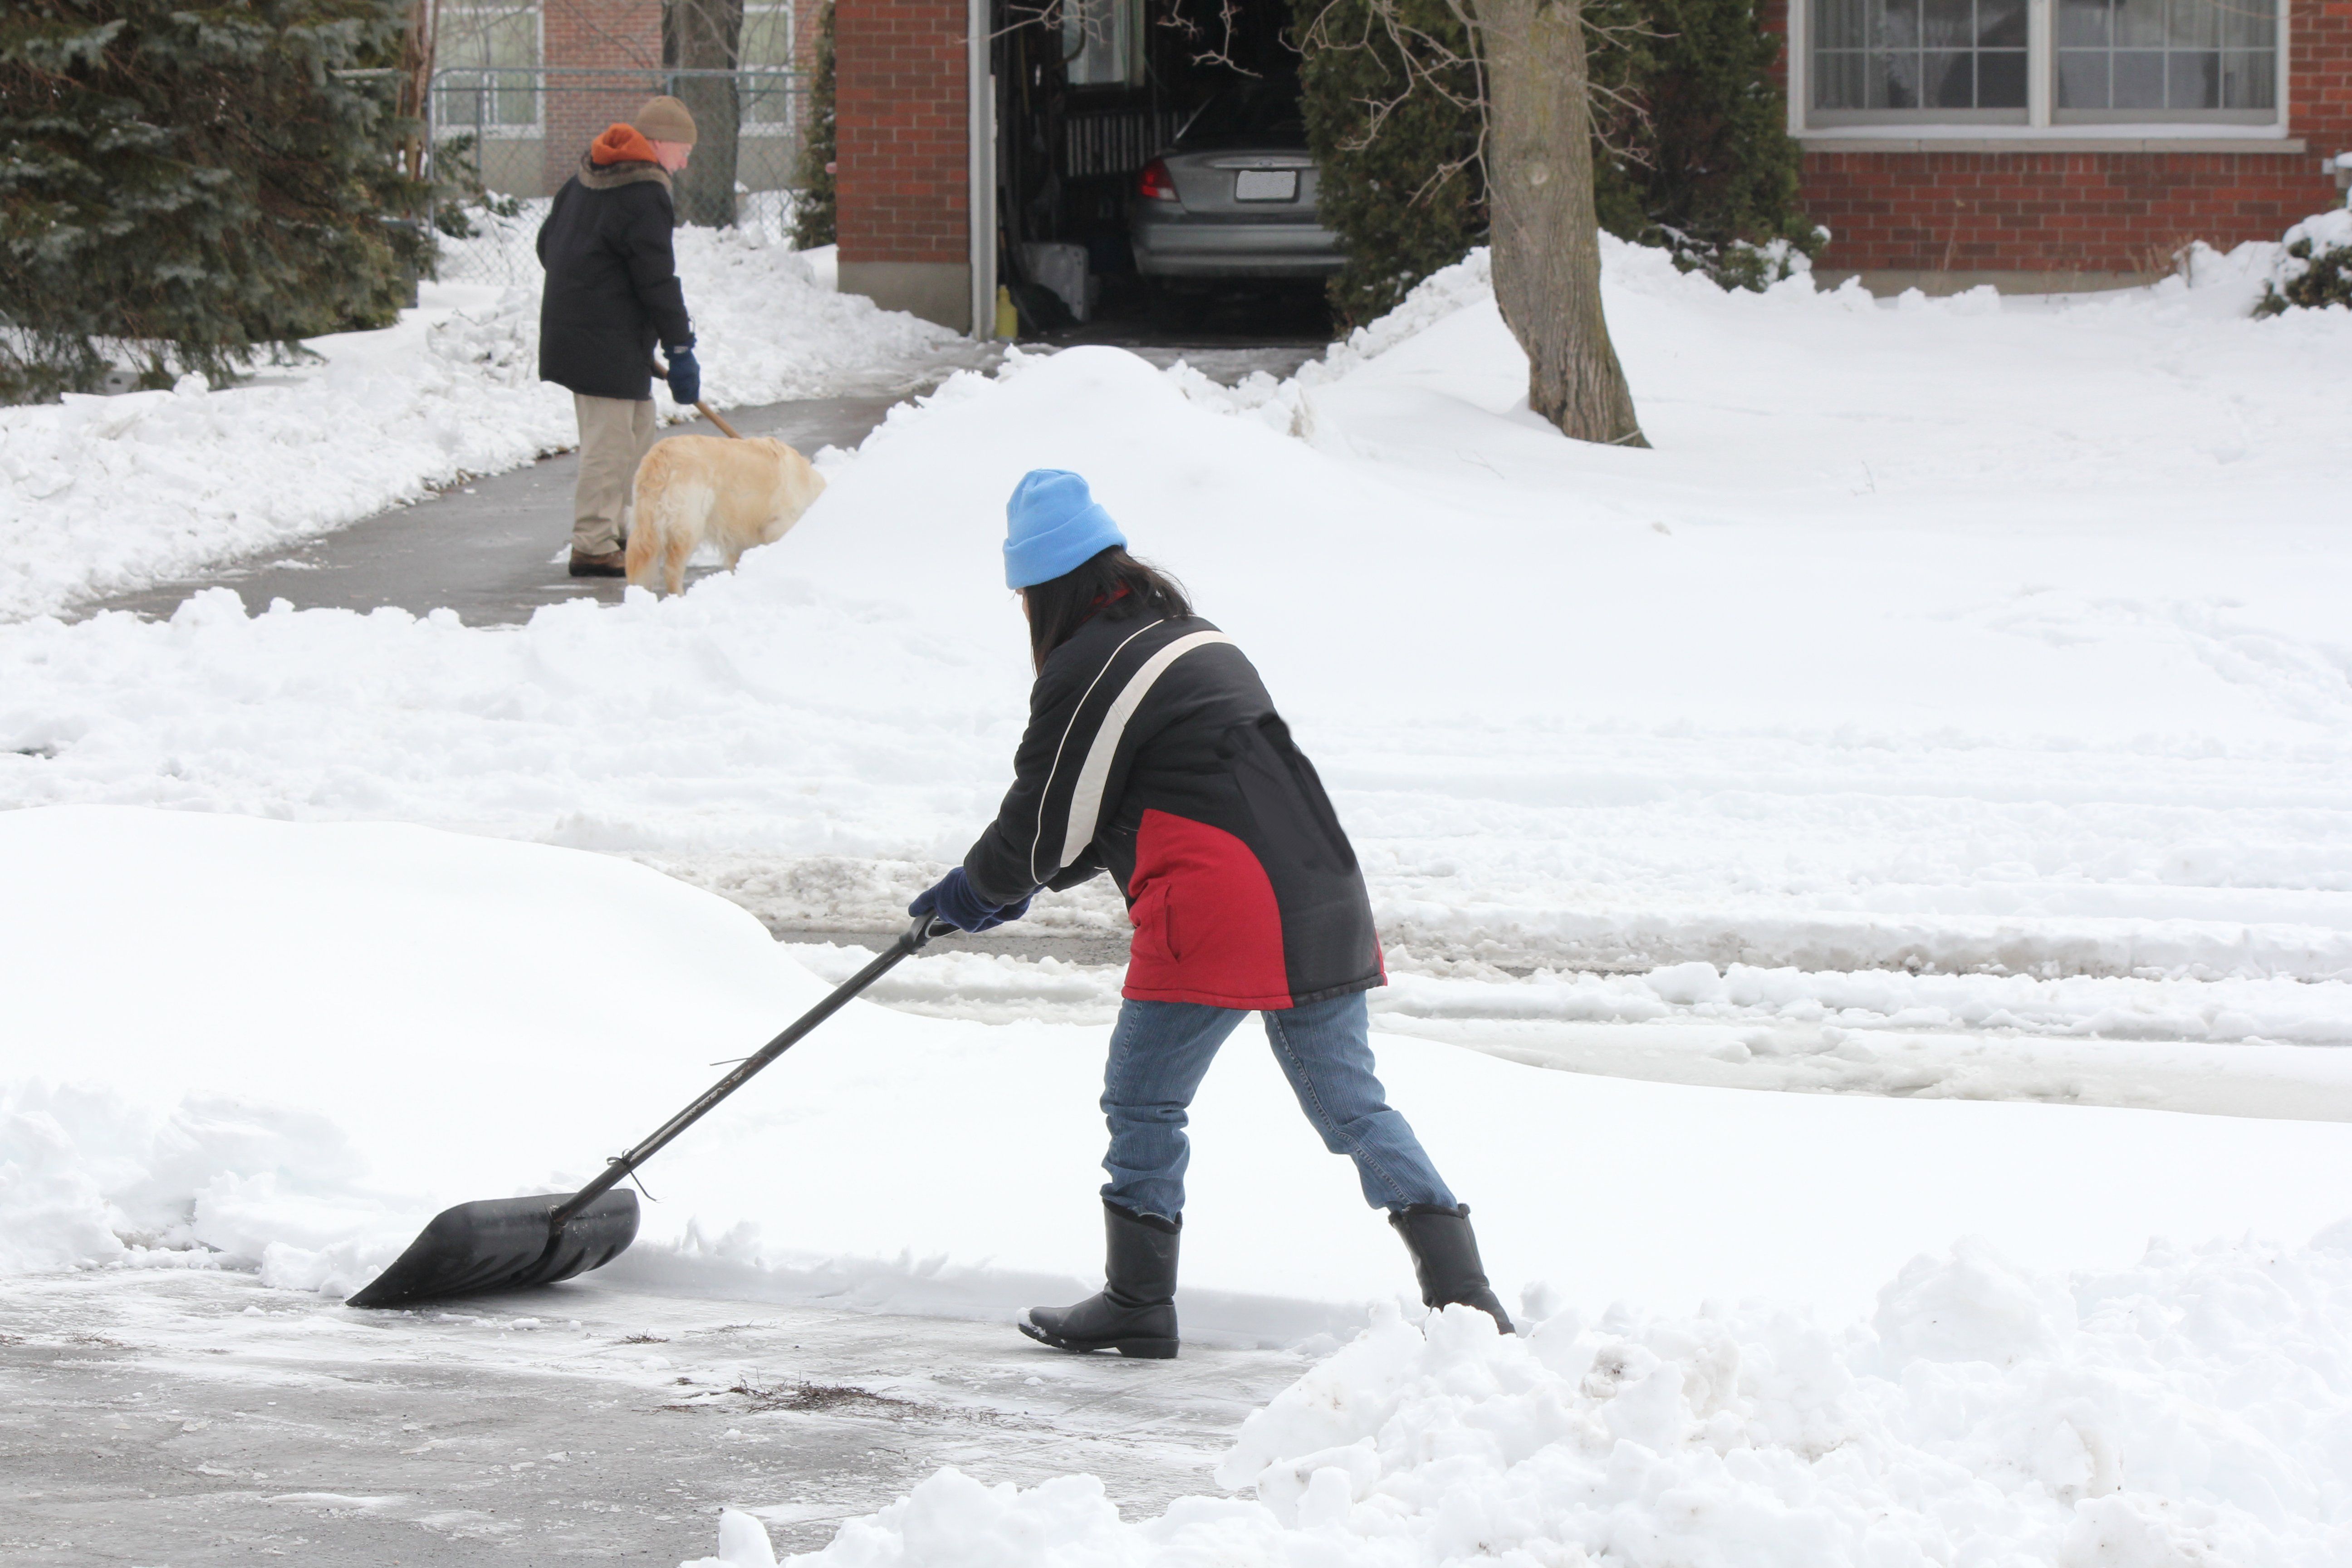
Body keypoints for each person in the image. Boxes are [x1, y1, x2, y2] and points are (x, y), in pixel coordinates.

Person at [910, 469, 1513, 1359]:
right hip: (1319, 887)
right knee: (1352, 1108)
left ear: (1039, 589)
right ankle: (1467, 1304)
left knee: (1143, 1101)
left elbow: (1045, 816)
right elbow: (1116, 811)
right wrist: (1016, 887)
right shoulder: (1187, 640)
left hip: (1221, 906)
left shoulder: (1091, 664)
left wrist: (975, 890)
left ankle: (1137, 1299)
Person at [536, 96, 705, 579]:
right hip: (598, 340)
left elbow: (548, 246)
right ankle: (592, 544)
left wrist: (596, 297)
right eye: (683, 149)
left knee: (637, 431)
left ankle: (627, 528)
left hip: (604, 335)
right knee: (608, 447)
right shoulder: (644, 193)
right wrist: (679, 347)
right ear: (658, 143)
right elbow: (656, 279)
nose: (686, 160)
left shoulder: (584, 180)